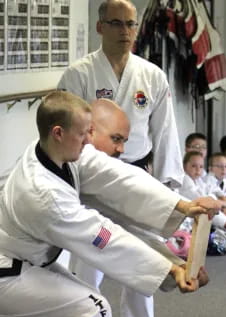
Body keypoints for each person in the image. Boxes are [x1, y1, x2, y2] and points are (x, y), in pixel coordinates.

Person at [0, 91, 220, 317]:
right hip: (8, 270)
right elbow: (104, 238)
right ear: (58, 132)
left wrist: (182, 205)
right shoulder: (43, 194)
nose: (87, 142)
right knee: (93, 309)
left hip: (25, 261)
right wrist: (170, 269)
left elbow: (122, 178)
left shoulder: (54, 151)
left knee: (76, 311)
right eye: (83, 134)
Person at [68, 98, 192, 317]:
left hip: (91, 223)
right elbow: (124, 179)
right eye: (116, 139)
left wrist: (175, 263)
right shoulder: (81, 157)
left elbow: (131, 229)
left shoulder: (102, 160)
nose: (121, 148)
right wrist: (182, 205)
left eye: (124, 140)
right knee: (85, 291)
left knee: (138, 264)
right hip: (35, 252)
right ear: (90, 131)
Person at [57, 0, 184, 188]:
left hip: (138, 170)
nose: (125, 31)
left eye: (130, 24)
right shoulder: (78, 74)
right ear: (100, 27)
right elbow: (66, 132)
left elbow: (165, 131)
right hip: (93, 172)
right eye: (116, 23)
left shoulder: (153, 75)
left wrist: (166, 183)